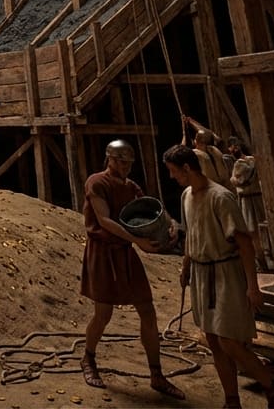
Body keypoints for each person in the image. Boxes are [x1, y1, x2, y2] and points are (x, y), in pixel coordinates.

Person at [163, 144, 274, 409]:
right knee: (213, 340)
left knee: (229, 341)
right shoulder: (186, 195)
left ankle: (273, 390)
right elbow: (192, 235)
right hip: (201, 272)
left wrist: (252, 287)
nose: (172, 177)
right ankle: (232, 401)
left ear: (187, 168)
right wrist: (186, 266)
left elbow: (244, 244)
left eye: (174, 171)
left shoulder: (220, 197)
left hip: (226, 273)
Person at [79, 140, 185, 400]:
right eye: (121, 161)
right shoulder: (96, 182)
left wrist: (171, 224)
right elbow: (104, 219)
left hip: (125, 252)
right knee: (103, 314)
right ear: (110, 159)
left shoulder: (131, 186)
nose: (126, 167)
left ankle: (156, 374)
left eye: (129, 163)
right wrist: (137, 241)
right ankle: (88, 359)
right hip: (103, 253)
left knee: (147, 310)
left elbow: (153, 206)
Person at [227, 137, 268, 270]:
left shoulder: (239, 164)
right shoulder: (253, 160)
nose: (230, 150)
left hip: (248, 201)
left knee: (252, 232)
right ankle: (265, 259)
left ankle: (261, 262)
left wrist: (232, 179)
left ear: (236, 147)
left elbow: (238, 180)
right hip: (258, 198)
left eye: (231, 147)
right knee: (261, 229)